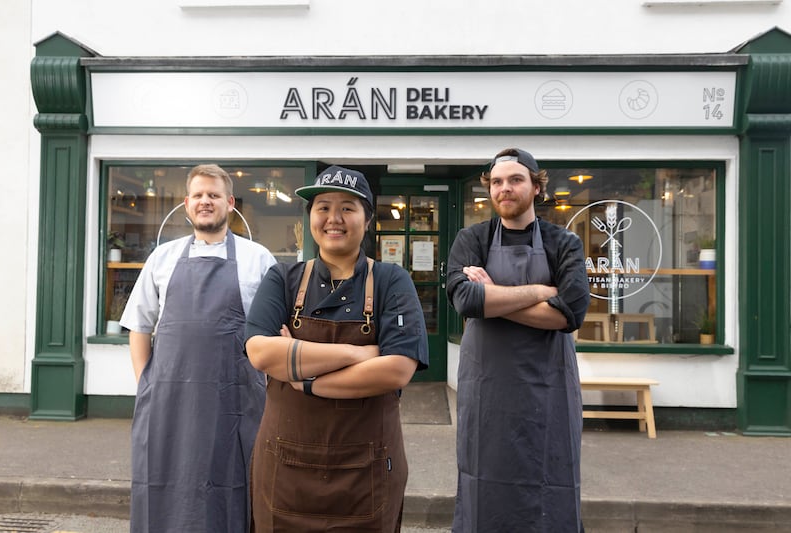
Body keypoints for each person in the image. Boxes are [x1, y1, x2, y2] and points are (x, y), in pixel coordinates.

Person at [244, 165, 429, 532]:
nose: (334, 218)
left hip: (367, 475)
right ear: (310, 217)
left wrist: (304, 377)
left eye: (347, 208)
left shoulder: (392, 281)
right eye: (323, 207)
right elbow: (261, 353)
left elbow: (397, 369)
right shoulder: (282, 279)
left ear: (368, 220)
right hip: (285, 472)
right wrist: (358, 354)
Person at [120, 164, 277, 533]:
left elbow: (273, 333)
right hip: (168, 404)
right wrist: (147, 386)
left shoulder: (258, 259)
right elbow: (140, 326)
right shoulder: (161, 258)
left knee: (235, 485)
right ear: (187, 203)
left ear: (230, 203)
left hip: (235, 403)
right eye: (199, 195)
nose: (206, 201)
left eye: (214, 195)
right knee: (163, 483)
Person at [446, 148, 590, 532]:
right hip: (487, 389)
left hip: (548, 389)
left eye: (515, 180)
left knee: (551, 481)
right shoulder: (471, 239)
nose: (504, 188)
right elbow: (466, 300)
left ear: (536, 187)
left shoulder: (564, 242)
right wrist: (541, 292)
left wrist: (493, 297)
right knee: (483, 485)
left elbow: (569, 313)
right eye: (496, 182)